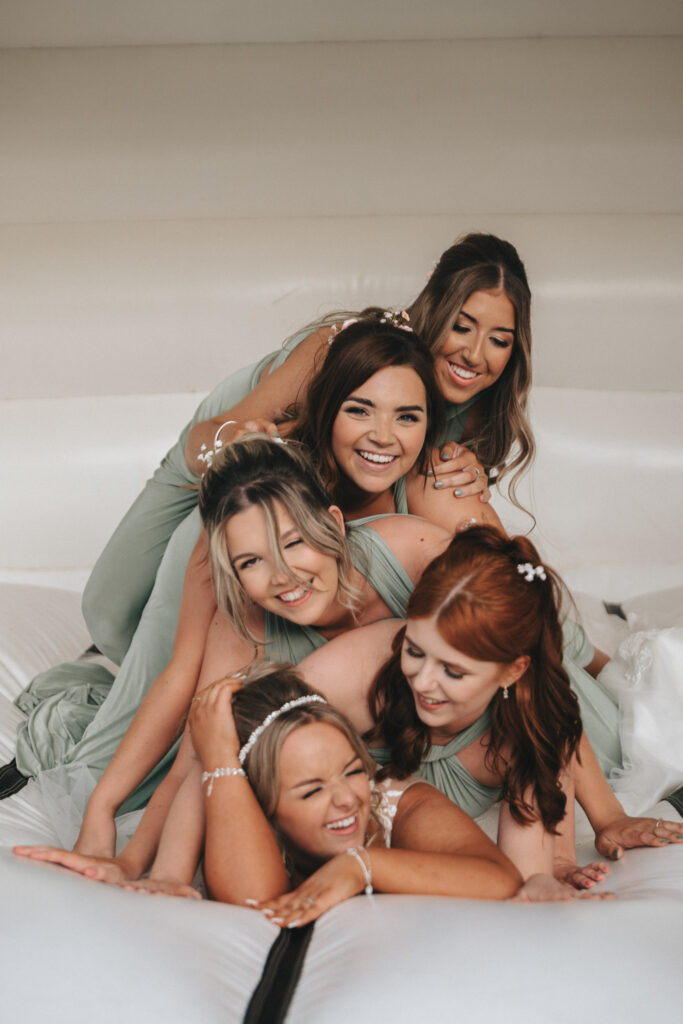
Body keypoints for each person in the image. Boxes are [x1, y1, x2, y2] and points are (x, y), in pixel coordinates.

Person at [82, 232, 532, 667]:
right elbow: (213, 434)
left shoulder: (479, 406)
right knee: (109, 618)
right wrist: (239, 444)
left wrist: (466, 474)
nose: (475, 355)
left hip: (306, 493)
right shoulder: (338, 348)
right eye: (461, 326)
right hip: (218, 451)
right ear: (435, 299)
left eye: (499, 340)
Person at [12, 433, 453, 868]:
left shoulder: (410, 550)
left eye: (294, 542)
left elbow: (489, 627)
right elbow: (195, 754)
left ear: (334, 524)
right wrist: (117, 837)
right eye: (251, 561)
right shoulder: (241, 625)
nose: (282, 576)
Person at [297, 527, 683, 896]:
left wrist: (553, 871)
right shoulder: (363, 669)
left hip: (570, 721)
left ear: (513, 671)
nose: (423, 681)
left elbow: (525, 876)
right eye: (414, 651)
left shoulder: (529, 732)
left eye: (453, 671)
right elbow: (270, 729)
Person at [17, 666, 522, 909]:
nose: (347, 799)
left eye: (352, 770)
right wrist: (219, 757)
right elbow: (254, 897)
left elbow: (500, 880)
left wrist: (362, 864)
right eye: (311, 791)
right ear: (258, 802)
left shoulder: (395, 801)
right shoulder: (232, 798)